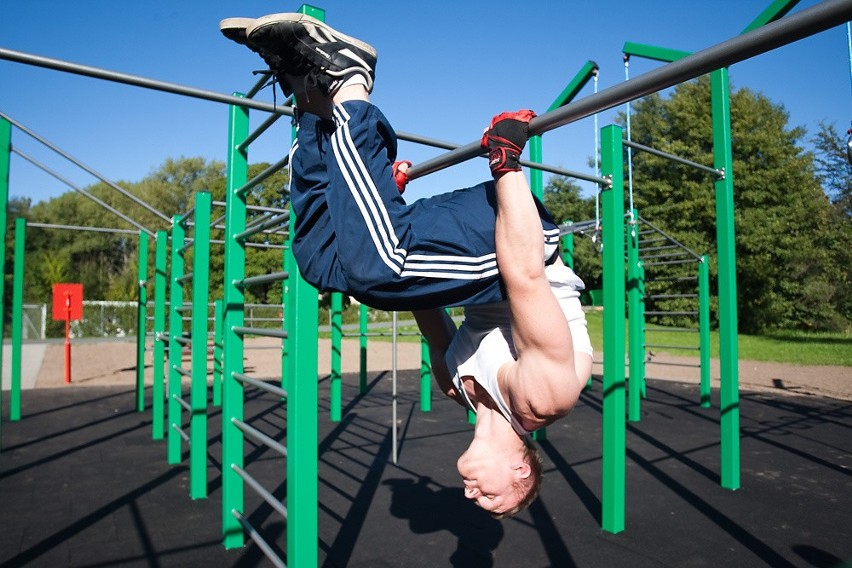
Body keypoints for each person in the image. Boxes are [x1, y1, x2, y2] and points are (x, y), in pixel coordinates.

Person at [220, 13, 593, 518]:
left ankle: (312, 101)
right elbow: (526, 277)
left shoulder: (457, 388)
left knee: (324, 264)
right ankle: (351, 82)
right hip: (519, 239)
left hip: (481, 269)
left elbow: (421, 300)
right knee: (381, 269)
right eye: (492, 498)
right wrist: (507, 161)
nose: (471, 494)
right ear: (521, 471)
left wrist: (371, 207)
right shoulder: (543, 400)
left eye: (475, 501)